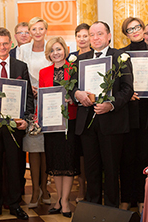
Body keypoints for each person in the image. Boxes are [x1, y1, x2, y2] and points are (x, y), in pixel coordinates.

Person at [70, 21, 133, 208]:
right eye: (92, 34)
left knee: (112, 170)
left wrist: (110, 105)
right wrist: (77, 94)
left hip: (112, 122)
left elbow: (127, 89)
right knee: (91, 170)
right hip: (87, 122)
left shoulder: (120, 57)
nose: (95, 38)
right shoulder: (82, 59)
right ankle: (93, 210)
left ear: (109, 36)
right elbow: (73, 87)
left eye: (99, 34)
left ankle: (112, 210)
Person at [0, 27, 34, 221]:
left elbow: (27, 97)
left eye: (5, 43)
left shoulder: (21, 66)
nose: (2, 47)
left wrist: (25, 119)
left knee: (15, 165)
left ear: (11, 44)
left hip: (14, 125)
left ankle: (15, 204)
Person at [39, 37, 80, 218]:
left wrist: (73, 99)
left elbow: (81, 93)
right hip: (51, 124)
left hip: (70, 121)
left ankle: (65, 201)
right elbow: (41, 98)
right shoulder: (43, 72)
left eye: (59, 49)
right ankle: (58, 198)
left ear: (65, 50)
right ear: (48, 54)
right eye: (52, 50)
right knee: (55, 162)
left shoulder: (74, 70)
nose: (56, 53)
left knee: (68, 161)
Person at [18, 17, 52, 208]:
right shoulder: (22, 50)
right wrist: (29, 88)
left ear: (46, 30)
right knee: (33, 148)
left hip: (49, 103)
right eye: (34, 29)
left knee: (46, 148)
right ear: (29, 32)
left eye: (41, 29)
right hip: (30, 104)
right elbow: (19, 74)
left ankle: (45, 188)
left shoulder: (52, 47)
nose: (37, 32)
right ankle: (35, 191)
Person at [119, 17, 148, 213]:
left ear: (143, 29)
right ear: (126, 34)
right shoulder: (121, 55)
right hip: (128, 112)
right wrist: (126, 93)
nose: (135, 31)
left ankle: (142, 198)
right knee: (126, 156)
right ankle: (126, 198)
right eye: (130, 29)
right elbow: (117, 85)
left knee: (144, 156)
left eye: (137, 27)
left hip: (147, 110)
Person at [68, 22, 92, 203]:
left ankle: (90, 189)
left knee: (90, 153)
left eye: (85, 35)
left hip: (95, 110)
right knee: (79, 152)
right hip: (76, 112)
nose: (82, 39)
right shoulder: (71, 58)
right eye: (79, 36)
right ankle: (81, 187)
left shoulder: (98, 56)